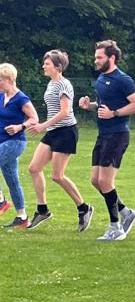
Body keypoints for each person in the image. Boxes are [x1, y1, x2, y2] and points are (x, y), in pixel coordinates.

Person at [78, 40, 135, 241]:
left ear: (112, 58)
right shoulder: (101, 78)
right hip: (103, 134)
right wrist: (90, 105)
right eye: (96, 57)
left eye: (99, 57)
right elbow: (103, 105)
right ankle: (126, 213)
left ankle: (116, 227)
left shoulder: (123, 79)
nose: (95, 60)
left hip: (117, 134)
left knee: (105, 181)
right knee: (95, 180)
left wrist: (114, 113)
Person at [26, 50, 94, 232]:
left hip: (66, 132)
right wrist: (46, 127)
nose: (43, 66)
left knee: (57, 176)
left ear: (58, 66)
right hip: (53, 132)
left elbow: (65, 112)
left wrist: (42, 125)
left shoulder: (64, 84)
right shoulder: (51, 83)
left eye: (47, 63)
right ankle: (42, 210)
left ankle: (84, 208)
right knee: (34, 168)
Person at [0, 63, 39, 229]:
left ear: (9, 79)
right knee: (13, 180)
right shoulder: (1, 96)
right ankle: (22, 217)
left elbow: (34, 118)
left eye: (0, 80)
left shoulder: (21, 99)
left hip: (15, 142)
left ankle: (1, 201)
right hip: (2, 141)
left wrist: (19, 126)